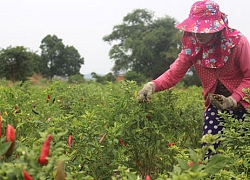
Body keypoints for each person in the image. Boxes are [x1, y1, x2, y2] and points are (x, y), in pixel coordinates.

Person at [137, 0, 250, 157]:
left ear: (217, 28)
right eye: (196, 28)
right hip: (216, 106)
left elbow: (249, 77)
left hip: (245, 104)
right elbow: (173, 74)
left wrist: (233, 99)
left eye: (203, 29)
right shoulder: (192, 47)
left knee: (243, 154)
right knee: (209, 151)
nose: (198, 34)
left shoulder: (237, 43)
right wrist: (152, 85)